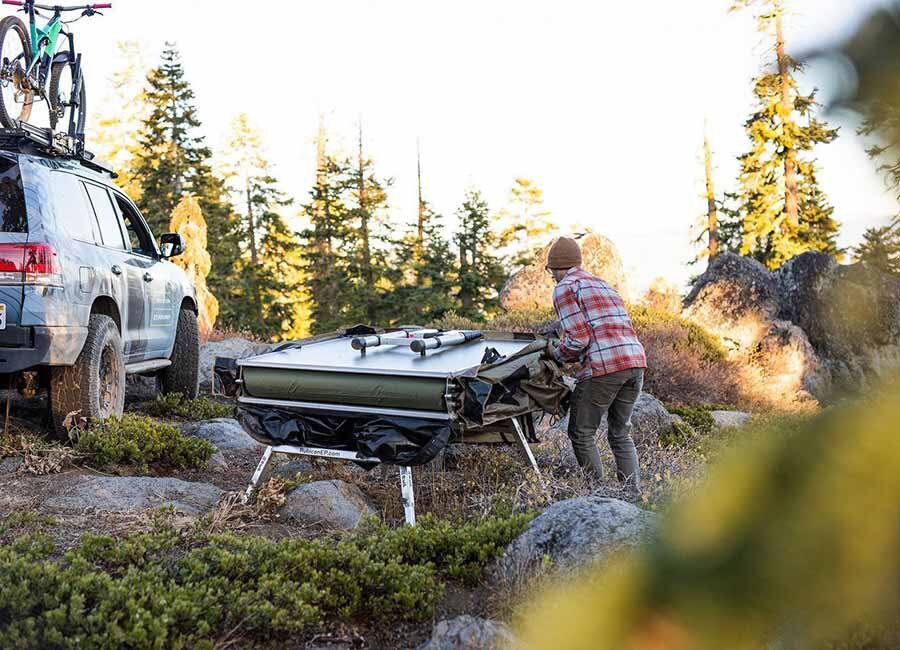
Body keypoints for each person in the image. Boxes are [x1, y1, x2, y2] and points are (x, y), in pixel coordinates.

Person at [546, 236, 647, 490]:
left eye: (550, 271)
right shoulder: (602, 284)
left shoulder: (565, 288)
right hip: (635, 362)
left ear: (556, 267)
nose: (551, 277)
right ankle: (632, 494)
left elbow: (578, 339)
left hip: (604, 367)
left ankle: (596, 493)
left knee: (581, 432)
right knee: (620, 433)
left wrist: (556, 356)